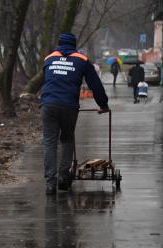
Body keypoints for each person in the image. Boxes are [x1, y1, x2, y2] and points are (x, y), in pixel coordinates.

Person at [40, 33, 109, 195]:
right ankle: (64, 176)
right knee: (67, 138)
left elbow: (48, 79)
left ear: (59, 44)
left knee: (49, 143)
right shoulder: (82, 60)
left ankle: (50, 183)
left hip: (48, 105)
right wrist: (103, 105)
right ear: (74, 45)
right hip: (69, 106)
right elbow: (95, 85)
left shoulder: (49, 58)